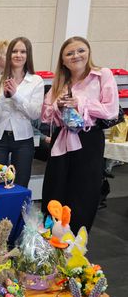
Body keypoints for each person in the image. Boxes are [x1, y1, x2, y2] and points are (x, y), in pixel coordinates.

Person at [41, 36, 119, 233]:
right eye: (69, 53)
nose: (76, 55)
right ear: (63, 60)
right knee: (55, 188)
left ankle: (76, 238)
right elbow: (45, 115)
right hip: (61, 138)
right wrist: (58, 106)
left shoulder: (102, 75)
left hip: (88, 139)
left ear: (88, 52)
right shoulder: (60, 82)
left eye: (81, 50)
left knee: (83, 191)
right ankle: (52, 235)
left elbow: (111, 110)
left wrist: (80, 103)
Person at [0, 37, 44, 188]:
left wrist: (16, 95)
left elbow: (35, 114)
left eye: (23, 52)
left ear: (28, 55)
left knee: (21, 183)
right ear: (9, 54)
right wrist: (3, 96)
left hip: (24, 139)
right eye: (14, 51)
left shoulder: (36, 80)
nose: (18, 55)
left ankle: (19, 206)